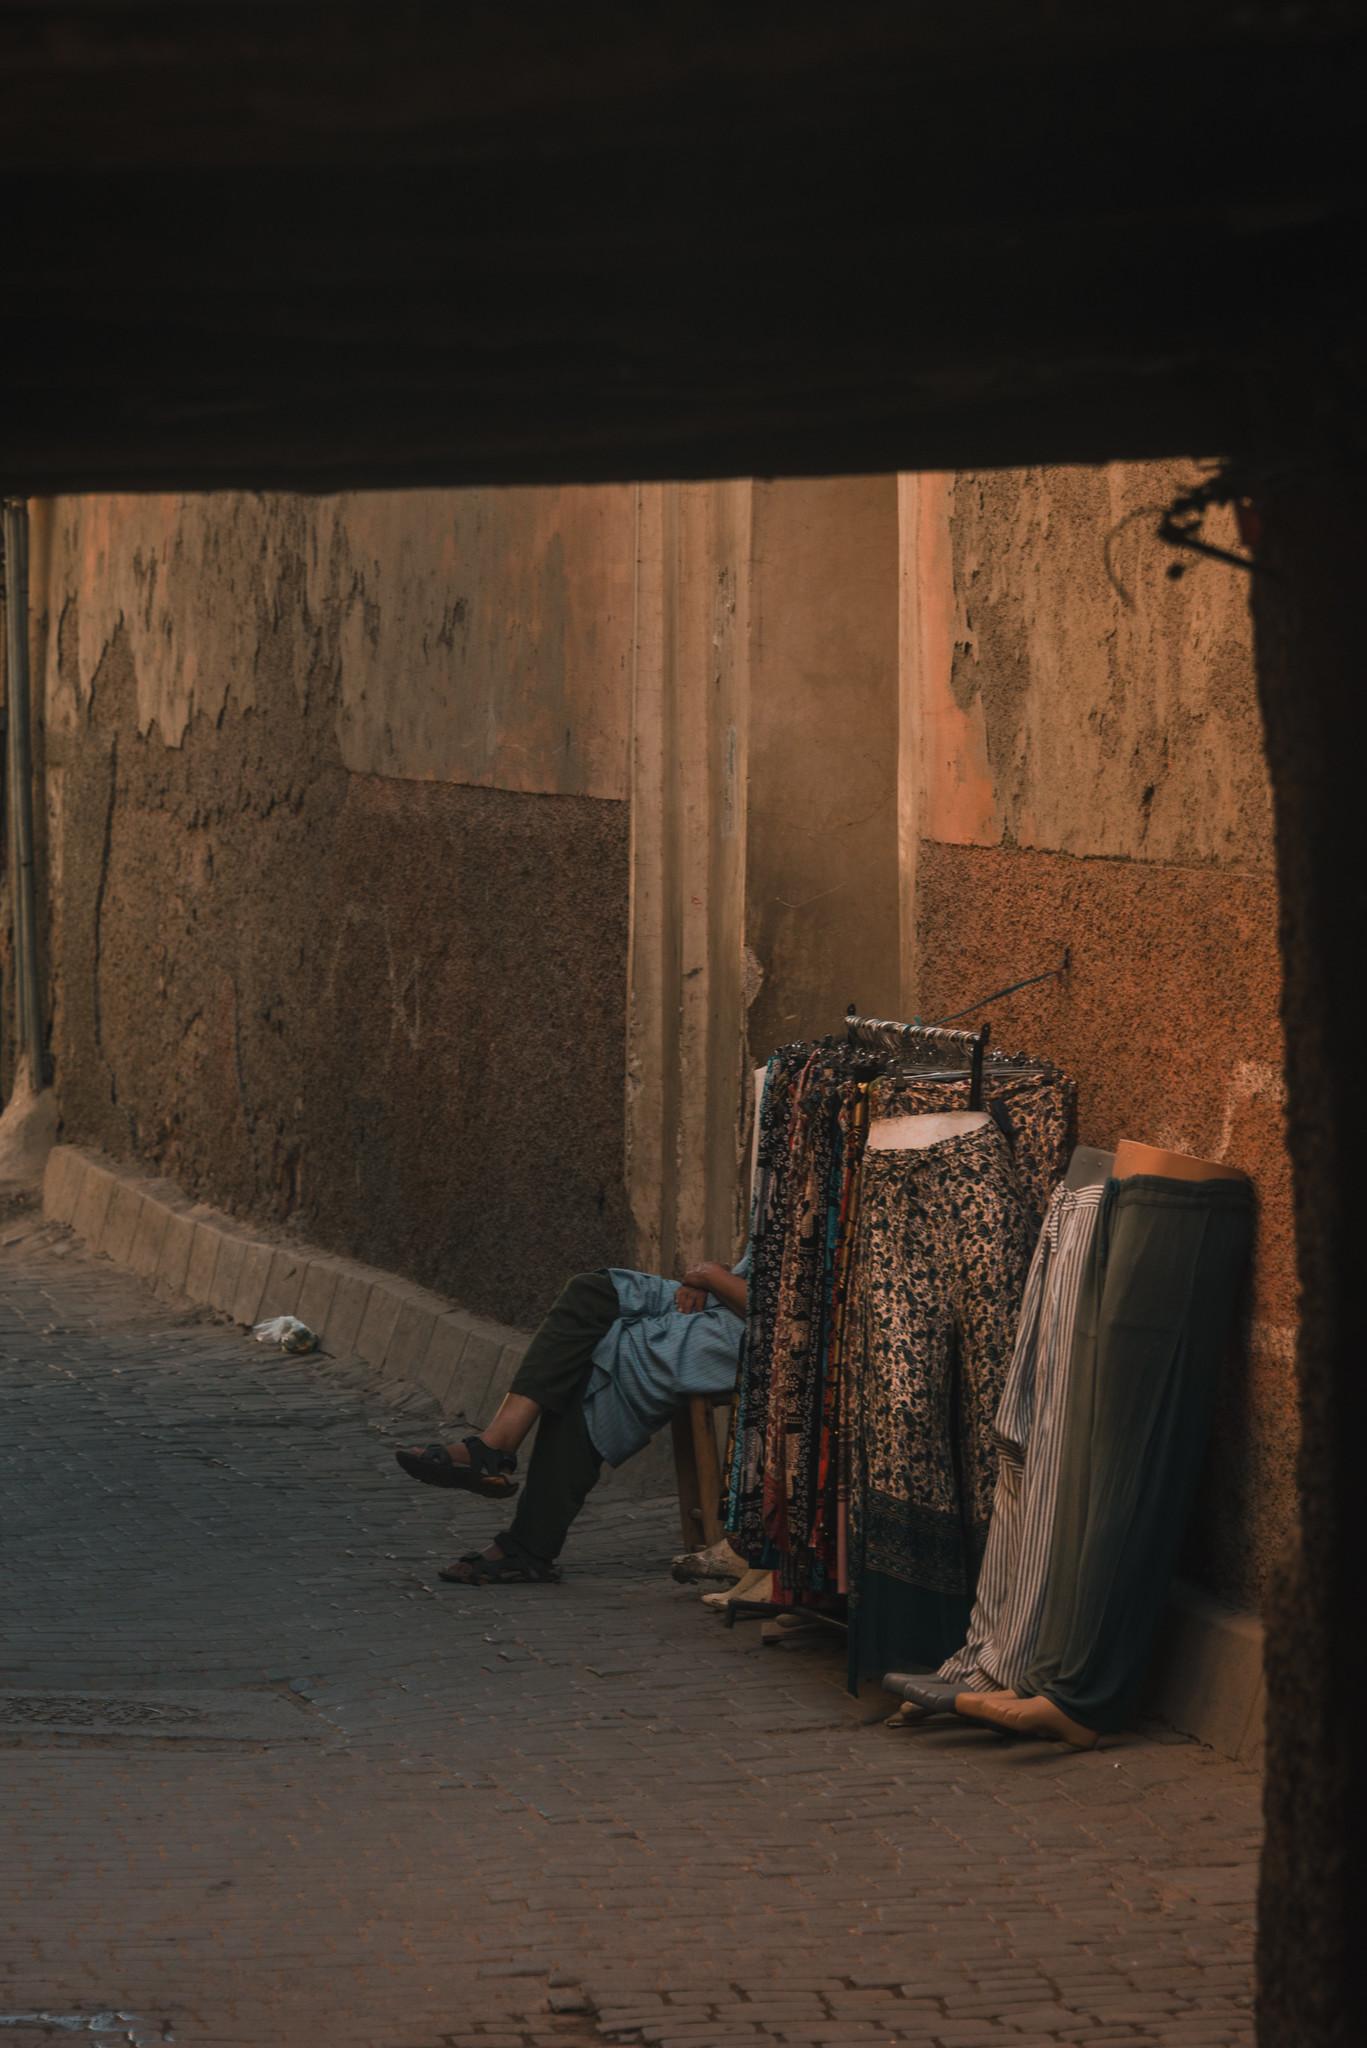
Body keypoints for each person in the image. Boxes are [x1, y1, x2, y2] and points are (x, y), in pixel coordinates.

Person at [395, 1250, 749, 1584]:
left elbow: (787, 1306)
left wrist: (711, 1276)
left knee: (600, 1359)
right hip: (725, 1299)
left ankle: (526, 1539)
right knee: (592, 1291)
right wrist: (709, 1278)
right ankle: (495, 1446)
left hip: (755, 1331)